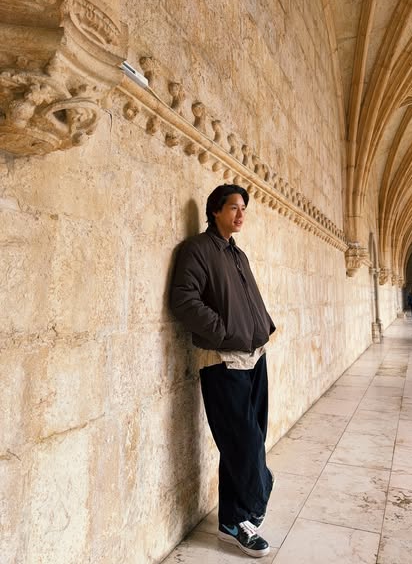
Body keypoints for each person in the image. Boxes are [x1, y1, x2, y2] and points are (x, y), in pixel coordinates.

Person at [170, 184, 276, 558]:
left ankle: (233, 523)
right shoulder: (198, 249)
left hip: (255, 356)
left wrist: (263, 325)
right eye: (234, 207)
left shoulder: (237, 254)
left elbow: (247, 298)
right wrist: (223, 332)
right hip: (223, 360)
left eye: (244, 208)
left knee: (248, 440)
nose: (241, 214)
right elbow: (183, 299)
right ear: (215, 210)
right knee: (244, 443)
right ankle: (254, 497)